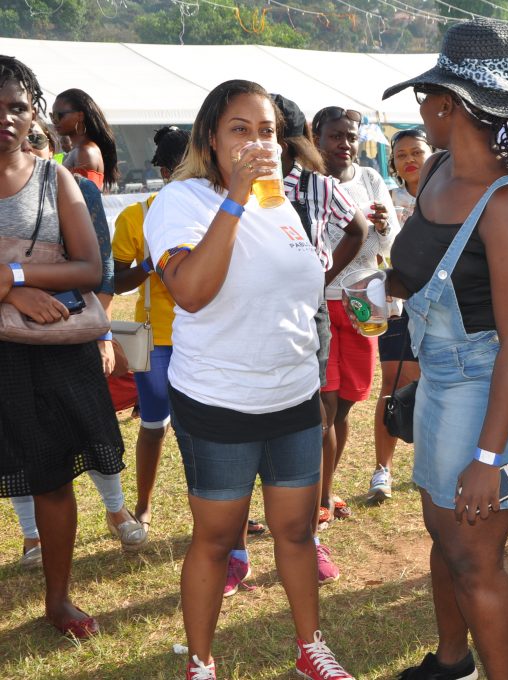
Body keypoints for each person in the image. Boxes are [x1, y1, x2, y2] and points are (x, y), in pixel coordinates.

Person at [382, 18, 508, 679]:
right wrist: (378, 295)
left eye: (426, 95)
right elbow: (417, 268)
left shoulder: (506, 205)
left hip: (498, 385)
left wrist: (488, 459)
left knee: (475, 555)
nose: (420, 109)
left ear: (449, 103)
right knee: (446, 535)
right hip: (445, 376)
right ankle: (451, 659)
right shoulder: (435, 171)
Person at [144, 79, 353, 679]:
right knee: (215, 538)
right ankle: (203, 663)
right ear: (211, 137)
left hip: (291, 396)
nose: (258, 141)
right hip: (219, 399)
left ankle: (310, 648)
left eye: (267, 130)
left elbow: (296, 293)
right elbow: (191, 292)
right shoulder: (180, 203)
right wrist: (233, 197)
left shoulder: (279, 201)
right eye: (241, 129)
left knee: (294, 532)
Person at [0, 55, 125, 638]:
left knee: (51, 478)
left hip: (48, 353)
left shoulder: (58, 178)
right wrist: (14, 289)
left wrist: (15, 282)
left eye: (17, 107)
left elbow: (91, 266)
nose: (6, 117)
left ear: (34, 115)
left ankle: (58, 599)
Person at [276, 92, 369, 584]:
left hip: (309, 316)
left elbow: (355, 229)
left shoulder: (315, 186)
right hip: (249, 322)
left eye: (271, 131)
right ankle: (235, 543)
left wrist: (323, 268)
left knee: (313, 417)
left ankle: (308, 532)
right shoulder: (227, 187)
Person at [312, 104, 400, 525]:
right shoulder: (306, 183)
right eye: (335, 136)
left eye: (350, 136)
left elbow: (388, 246)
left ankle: (326, 490)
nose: (344, 144)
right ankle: (319, 500)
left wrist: (383, 226)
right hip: (322, 302)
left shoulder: (370, 179)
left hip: (366, 299)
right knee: (325, 406)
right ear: (316, 138)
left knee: (347, 402)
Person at [111, 125, 189, 537]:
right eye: (177, 172)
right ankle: (143, 507)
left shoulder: (216, 212)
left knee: (208, 429)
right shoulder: (136, 217)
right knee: (154, 425)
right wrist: (149, 264)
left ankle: (224, 509)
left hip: (207, 338)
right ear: (162, 173)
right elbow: (115, 279)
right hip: (158, 339)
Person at [365, 127, 430, 502]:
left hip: (437, 304)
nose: (409, 159)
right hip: (396, 304)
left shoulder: (448, 195)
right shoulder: (386, 198)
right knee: (391, 382)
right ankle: (382, 470)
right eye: (401, 153)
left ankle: (427, 462)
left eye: (416, 152)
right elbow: (376, 250)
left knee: (428, 383)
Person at [50, 88, 119, 192]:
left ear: (80, 116)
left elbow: (82, 200)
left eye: (58, 115)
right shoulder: (80, 150)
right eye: (52, 116)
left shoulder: (86, 151)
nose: (54, 121)